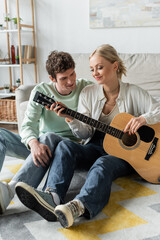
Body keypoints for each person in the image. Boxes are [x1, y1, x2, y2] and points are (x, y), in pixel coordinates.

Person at [15, 44, 160, 228]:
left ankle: (78, 206)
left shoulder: (134, 92)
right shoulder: (88, 93)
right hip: (96, 144)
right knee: (65, 146)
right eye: (92, 69)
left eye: (99, 67)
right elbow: (84, 133)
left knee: (103, 164)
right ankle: (52, 196)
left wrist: (143, 118)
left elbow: (158, 109)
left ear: (115, 66)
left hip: (125, 154)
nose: (95, 73)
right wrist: (70, 118)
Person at [0, 50, 92, 214]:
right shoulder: (41, 91)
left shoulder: (86, 87)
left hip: (71, 149)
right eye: (64, 78)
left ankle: (10, 191)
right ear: (52, 79)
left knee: (49, 136)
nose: (71, 81)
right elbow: (28, 125)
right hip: (43, 149)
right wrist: (34, 143)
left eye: (72, 74)